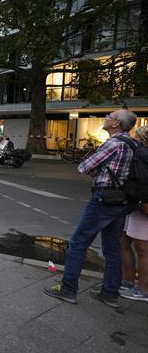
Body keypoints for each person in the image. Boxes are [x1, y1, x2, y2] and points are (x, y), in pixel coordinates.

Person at [44, 109, 138, 308]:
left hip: (103, 199)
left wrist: (97, 169)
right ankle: (110, 293)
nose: (105, 118)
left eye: (109, 117)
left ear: (116, 124)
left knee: (78, 244)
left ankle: (68, 290)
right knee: (113, 249)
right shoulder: (133, 144)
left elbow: (84, 166)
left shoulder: (113, 143)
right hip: (122, 201)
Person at [120, 125, 148, 302]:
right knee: (123, 240)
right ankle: (128, 281)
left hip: (141, 205)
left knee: (143, 249)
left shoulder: (142, 154)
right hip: (136, 204)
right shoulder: (141, 153)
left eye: (136, 136)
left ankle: (144, 289)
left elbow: (142, 181)